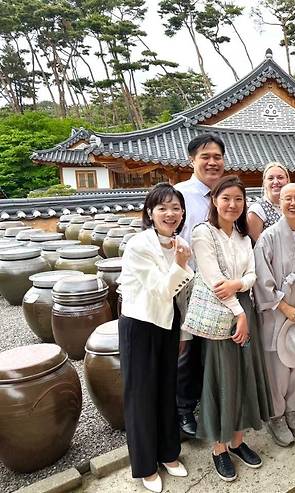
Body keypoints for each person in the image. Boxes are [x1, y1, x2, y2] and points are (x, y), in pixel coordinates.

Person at [189, 175, 272, 482]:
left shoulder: (242, 236)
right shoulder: (203, 233)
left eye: (238, 199)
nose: (232, 205)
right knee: (222, 378)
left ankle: (237, 441)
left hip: (243, 309)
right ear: (214, 201)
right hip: (222, 313)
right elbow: (214, 282)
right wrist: (239, 313)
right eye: (226, 198)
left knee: (243, 375)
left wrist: (239, 285)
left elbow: (251, 274)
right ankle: (218, 447)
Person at [118, 183, 193, 493]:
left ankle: (169, 453)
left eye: (175, 207)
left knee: (166, 388)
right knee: (141, 396)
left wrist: (184, 332)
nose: (170, 213)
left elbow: (180, 293)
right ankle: (146, 465)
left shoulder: (177, 243)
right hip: (140, 324)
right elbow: (161, 289)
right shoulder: (139, 244)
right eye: (162, 207)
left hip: (168, 322)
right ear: (150, 212)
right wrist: (180, 265)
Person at [253, 184, 295, 447]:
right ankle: (276, 415)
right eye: (287, 198)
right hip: (277, 312)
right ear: (279, 202)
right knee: (277, 368)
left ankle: (292, 410)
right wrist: (284, 308)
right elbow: (262, 279)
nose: (293, 203)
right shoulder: (268, 237)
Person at [174, 133, 226, 437]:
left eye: (217, 156)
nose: (212, 162)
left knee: (215, 350)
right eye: (205, 156)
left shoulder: (227, 195)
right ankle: (183, 411)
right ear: (192, 160)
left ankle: (212, 405)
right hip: (189, 285)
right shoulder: (179, 195)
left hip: (222, 285)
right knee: (187, 350)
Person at [247, 162, 290, 243]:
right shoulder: (257, 210)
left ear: (287, 180)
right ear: (264, 182)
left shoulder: (291, 206)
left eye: (280, 177)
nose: (276, 181)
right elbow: (258, 246)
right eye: (270, 178)